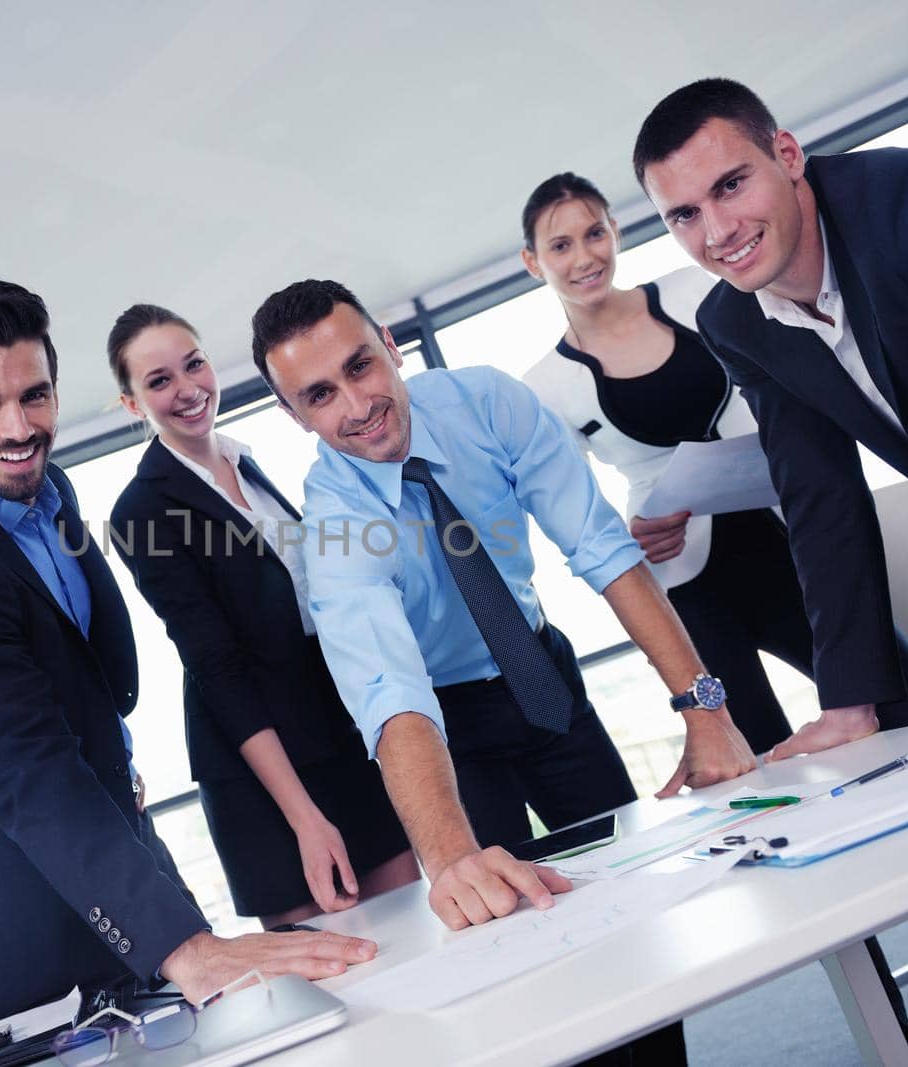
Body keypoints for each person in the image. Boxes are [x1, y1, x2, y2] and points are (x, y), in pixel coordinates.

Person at [633, 75, 908, 1019]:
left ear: (788, 156)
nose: (714, 231)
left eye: (730, 186)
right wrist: (848, 700)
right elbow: (818, 495)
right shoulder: (732, 320)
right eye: (681, 213)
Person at [252, 278, 762, 1064]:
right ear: (293, 416)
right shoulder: (334, 525)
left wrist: (704, 707)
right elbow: (393, 695)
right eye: (319, 395)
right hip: (447, 734)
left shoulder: (486, 404)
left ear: (391, 344)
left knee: (630, 913)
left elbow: (601, 548)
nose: (355, 405)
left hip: (541, 681)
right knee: (512, 943)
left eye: (360, 366)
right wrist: (451, 860)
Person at [0, 274, 375, 1024]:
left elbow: (81, 663)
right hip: (40, 914)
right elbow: (30, 777)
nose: (19, 428)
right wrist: (187, 945)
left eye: (35, 396)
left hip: (126, 844)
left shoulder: (51, 489)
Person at [517, 171, 908, 757]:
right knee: (756, 755)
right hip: (686, 580)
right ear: (533, 262)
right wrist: (629, 537)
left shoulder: (694, 293)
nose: (584, 257)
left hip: (787, 540)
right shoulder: (544, 388)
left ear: (616, 232)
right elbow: (573, 507)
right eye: (561, 245)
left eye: (594, 233)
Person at [106, 304, 419, 930]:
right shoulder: (141, 510)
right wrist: (304, 818)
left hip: (334, 731)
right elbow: (216, 665)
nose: (188, 389)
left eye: (193, 365)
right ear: (132, 404)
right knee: (337, 965)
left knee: (414, 921)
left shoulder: (247, 463)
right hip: (263, 772)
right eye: (159, 381)